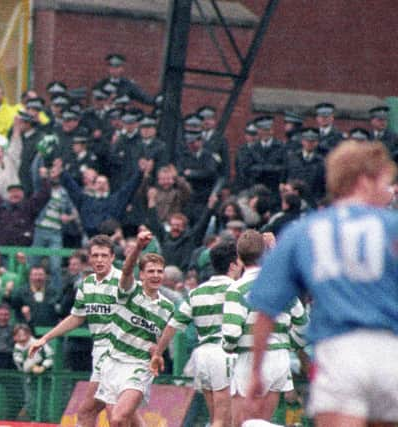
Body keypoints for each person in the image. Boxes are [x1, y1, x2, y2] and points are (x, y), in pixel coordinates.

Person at [246, 141, 398, 427]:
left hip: (338, 351)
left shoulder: (303, 231)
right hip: (390, 351)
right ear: (364, 181)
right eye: (385, 182)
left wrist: (256, 370)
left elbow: (265, 307)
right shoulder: (391, 226)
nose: (390, 190)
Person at [29, 235, 144, 427]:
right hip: (100, 352)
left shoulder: (122, 281)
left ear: (112, 257)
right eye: (95, 255)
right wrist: (45, 338)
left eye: (104, 256)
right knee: (90, 413)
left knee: (113, 414)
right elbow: (76, 317)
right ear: (89, 258)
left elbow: (130, 275)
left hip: (119, 354)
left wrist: (138, 247)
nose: (99, 260)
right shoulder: (87, 284)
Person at [222, 230, 307, 426]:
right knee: (262, 422)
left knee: (241, 423)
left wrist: (228, 347)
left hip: (250, 358)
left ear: (239, 257)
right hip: (280, 360)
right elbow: (303, 326)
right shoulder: (282, 286)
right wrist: (287, 344)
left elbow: (231, 334)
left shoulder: (237, 289)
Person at [151, 241, 239, 427]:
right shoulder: (237, 290)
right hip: (225, 353)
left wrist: (158, 352)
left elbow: (173, 326)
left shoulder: (196, 293)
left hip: (203, 355)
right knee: (224, 420)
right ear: (233, 265)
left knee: (216, 417)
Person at [94, 230, 174, 427]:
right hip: (113, 361)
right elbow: (127, 270)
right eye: (151, 271)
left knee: (119, 418)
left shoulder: (168, 307)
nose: (156, 275)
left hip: (139, 366)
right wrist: (138, 247)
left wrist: (158, 353)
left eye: (159, 271)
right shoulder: (130, 291)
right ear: (142, 274)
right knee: (124, 421)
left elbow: (156, 341)